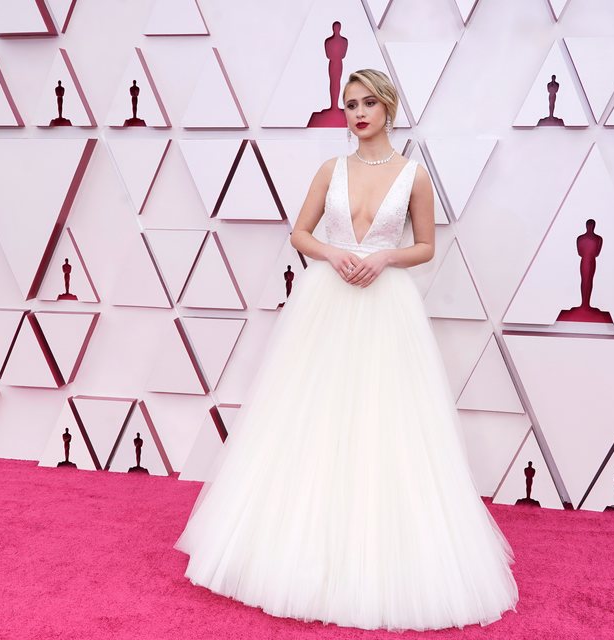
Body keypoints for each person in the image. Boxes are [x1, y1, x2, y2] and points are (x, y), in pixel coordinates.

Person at [173, 68, 519, 632]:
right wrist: (334, 256)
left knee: (386, 422)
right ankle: (294, 549)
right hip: (325, 302)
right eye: (348, 104)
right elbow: (299, 233)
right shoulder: (330, 169)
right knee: (308, 416)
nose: (356, 113)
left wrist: (383, 257)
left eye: (366, 103)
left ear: (388, 107)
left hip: (386, 309)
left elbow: (426, 247)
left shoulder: (414, 176)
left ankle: (377, 555)